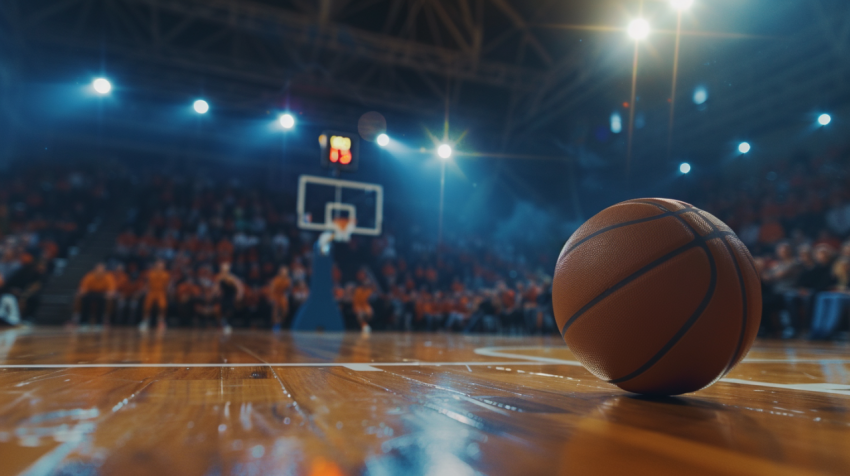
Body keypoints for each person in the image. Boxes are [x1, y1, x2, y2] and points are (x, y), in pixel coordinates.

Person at [139, 260, 171, 332]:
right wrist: (144, 290)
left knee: (162, 306)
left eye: (162, 266)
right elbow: (147, 283)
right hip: (152, 291)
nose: (160, 267)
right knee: (147, 306)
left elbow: (167, 285)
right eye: (159, 266)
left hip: (161, 292)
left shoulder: (166, 275)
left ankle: (161, 321)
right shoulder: (151, 273)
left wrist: (168, 291)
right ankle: (145, 321)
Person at [215, 262, 244, 334]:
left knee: (229, 311)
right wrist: (217, 293)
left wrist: (239, 295)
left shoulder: (232, 278)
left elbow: (239, 287)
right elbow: (218, 288)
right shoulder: (220, 278)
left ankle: (227, 324)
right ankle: (223, 324)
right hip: (224, 297)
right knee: (222, 310)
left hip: (230, 297)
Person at [268, 266, 292, 332]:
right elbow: (272, 289)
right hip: (275, 295)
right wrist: (271, 298)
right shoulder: (276, 279)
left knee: (285, 310)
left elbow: (288, 290)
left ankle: (280, 322)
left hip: (282, 296)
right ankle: (275, 324)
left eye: (286, 272)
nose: (284, 273)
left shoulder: (288, 280)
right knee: (275, 309)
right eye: (283, 272)